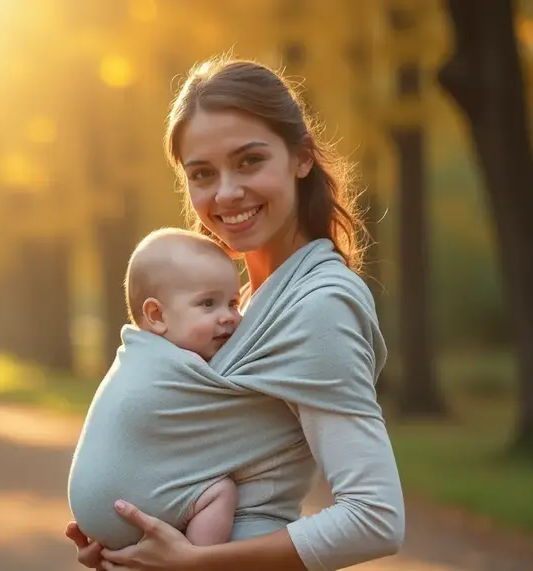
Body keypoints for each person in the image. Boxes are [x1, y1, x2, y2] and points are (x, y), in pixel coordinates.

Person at [65, 56, 405, 571]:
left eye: (249, 161)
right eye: (202, 173)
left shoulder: (318, 308)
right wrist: (129, 540)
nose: (226, 193)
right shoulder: (240, 304)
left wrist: (195, 562)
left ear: (301, 158)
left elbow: (375, 518)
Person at [68, 228, 244, 550]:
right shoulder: (184, 367)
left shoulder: (134, 355)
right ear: (157, 315)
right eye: (208, 304)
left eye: (233, 303)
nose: (229, 318)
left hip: (95, 514)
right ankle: (193, 562)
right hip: (130, 509)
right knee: (222, 491)